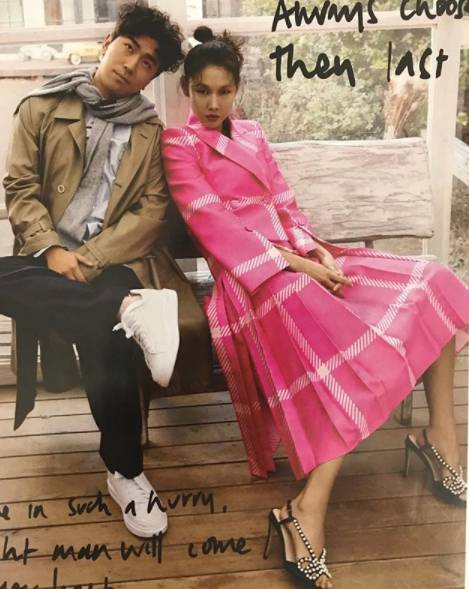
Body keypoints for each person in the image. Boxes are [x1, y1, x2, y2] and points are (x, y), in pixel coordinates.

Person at [161, 26, 469, 588]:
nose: (212, 103)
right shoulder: (179, 144)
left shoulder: (252, 133)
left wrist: (317, 251)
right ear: (187, 89)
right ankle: (307, 506)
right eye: (202, 91)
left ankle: (440, 439)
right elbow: (212, 226)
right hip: (253, 281)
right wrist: (298, 267)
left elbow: (284, 202)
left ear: (237, 91)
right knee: (329, 327)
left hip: (301, 257)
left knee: (434, 281)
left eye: (224, 91)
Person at [1, 2, 210, 539]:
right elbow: (20, 189)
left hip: (114, 262)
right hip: (46, 259)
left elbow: (152, 212)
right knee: (104, 316)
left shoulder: (149, 131)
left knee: (107, 338)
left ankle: (127, 474)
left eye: (147, 62)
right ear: (107, 44)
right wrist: (53, 250)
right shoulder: (41, 107)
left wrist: (90, 259)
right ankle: (126, 310)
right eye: (128, 48)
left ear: (151, 77)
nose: (132, 64)